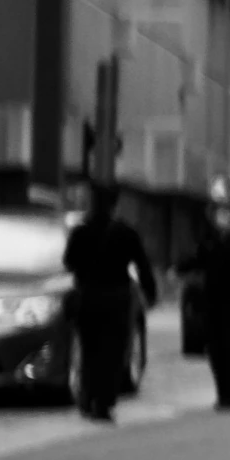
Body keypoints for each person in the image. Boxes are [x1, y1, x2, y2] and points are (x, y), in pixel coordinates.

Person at [63, 180, 156, 422]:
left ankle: (87, 397)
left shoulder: (80, 232)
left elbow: (69, 262)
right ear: (115, 205)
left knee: (90, 350)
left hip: (89, 297)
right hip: (117, 299)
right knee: (112, 353)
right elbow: (143, 265)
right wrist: (150, 292)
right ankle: (104, 402)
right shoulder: (126, 233)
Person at [182, 184, 230, 411]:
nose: (222, 219)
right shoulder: (210, 240)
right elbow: (198, 259)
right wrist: (179, 268)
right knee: (217, 351)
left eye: (226, 214)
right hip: (215, 302)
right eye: (219, 215)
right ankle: (223, 394)